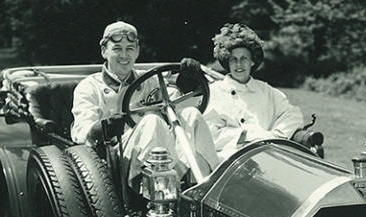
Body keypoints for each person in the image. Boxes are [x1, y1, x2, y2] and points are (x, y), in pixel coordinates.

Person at [70, 21, 219, 187]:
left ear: (137, 52)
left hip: (162, 155)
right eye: (117, 48)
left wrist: (187, 83)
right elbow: (81, 133)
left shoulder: (150, 81)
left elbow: (174, 107)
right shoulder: (90, 87)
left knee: (191, 114)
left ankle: (203, 184)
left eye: (130, 49)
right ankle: (154, 192)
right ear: (104, 51)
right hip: (118, 160)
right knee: (152, 121)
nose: (124, 55)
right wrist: (104, 126)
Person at [204, 23, 304, 160]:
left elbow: (293, 115)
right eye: (233, 59)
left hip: (268, 156)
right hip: (229, 163)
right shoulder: (215, 92)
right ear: (227, 62)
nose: (238, 64)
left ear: (252, 61)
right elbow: (210, 134)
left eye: (244, 58)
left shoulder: (266, 91)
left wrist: (275, 136)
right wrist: (245, 136)